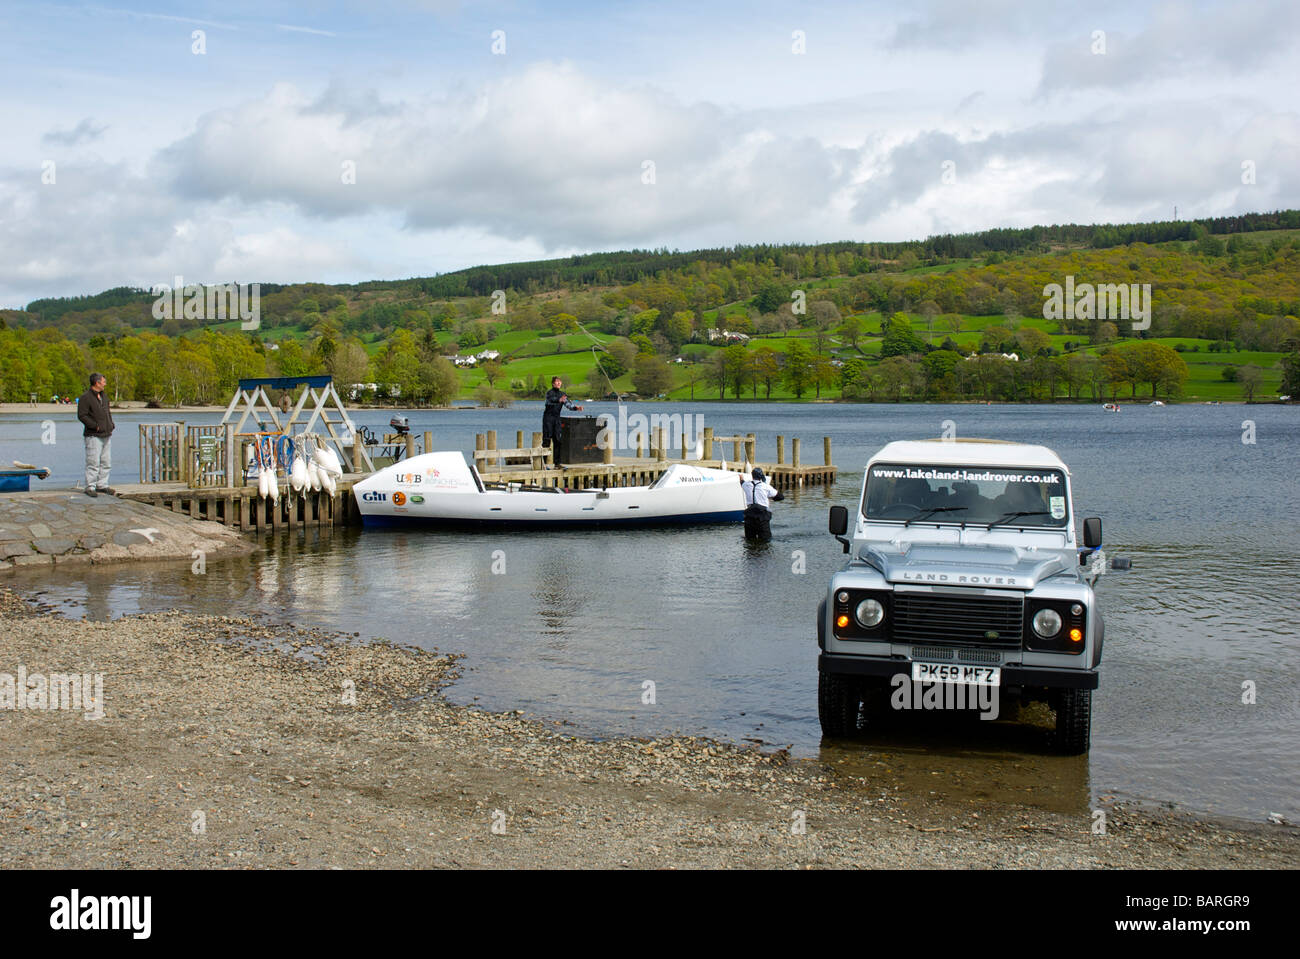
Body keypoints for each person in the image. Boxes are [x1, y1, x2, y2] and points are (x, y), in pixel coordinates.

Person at [77, 373, 115, 497]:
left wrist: (111, 424)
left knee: (106, 462)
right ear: (97, 383)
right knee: (93, 462)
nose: (105, 384)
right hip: (93, 435)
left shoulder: (104, 396)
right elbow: (82, 415)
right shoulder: (86, 397)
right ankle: (90, 486)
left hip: (106, 433)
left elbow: (107, 412)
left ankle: (102, 485)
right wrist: (95, 426)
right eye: (104, 382)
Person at [541, 376, 582, 468]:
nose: (559, 383)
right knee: (546, 441)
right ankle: (542, 464)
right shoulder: (549, 393)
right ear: (553, 383)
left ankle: (557, 463)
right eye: (557, 382)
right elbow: (549, 402)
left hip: (557, 419)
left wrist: (576, 408)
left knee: (558, 441)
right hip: (548, 419)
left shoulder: (562, 394)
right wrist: (558, 400)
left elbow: (568, 405)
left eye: (560, 382)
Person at [741, 467, 783, 541]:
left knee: (749, 540)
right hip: (762, 516)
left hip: (749, 515)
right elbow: (780, 497)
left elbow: (742, 482)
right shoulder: (765, 486)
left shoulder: (746, 485)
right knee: (765, 540)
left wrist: (741, 477)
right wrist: (771, 498)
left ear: (752, 476)